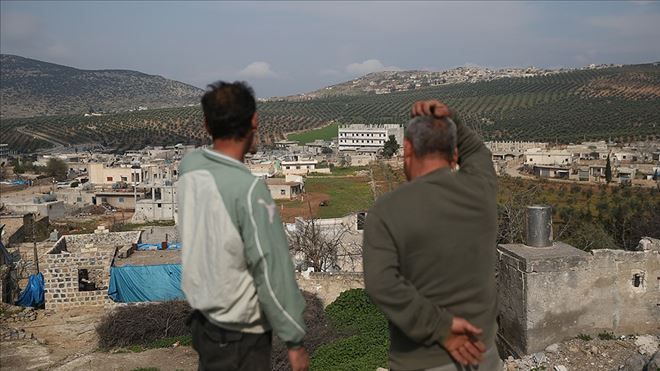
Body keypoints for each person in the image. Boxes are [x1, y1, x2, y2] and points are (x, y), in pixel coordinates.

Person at [177, 81, 309, 371]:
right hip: (240, 336)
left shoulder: (189, 169)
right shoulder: (249, 191)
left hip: (205, 326)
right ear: (254, 121)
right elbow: (272, 270)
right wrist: (294, 340)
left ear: (206, 126)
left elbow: (199, 156)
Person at [363, 100, 501, 371]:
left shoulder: (387, 210)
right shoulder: (481, 189)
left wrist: (442, 329)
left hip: (421, 362)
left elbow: (381, 285)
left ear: (407, 150)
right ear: (454, 155)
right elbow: (478, 151)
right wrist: (451, 119)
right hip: (483, 355)